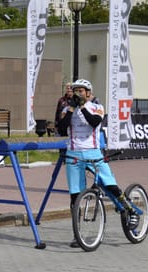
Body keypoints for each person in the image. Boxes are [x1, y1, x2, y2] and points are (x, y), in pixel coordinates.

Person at [57, 78, 139, 248]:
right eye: (75, 91)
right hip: (73, 155)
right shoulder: (67, 109)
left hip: (93, 153)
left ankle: (130, 211)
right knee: (75, 196)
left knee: (110, 185)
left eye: (81, 91)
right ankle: (77, 233)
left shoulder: (97, 107)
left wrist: (82, 106)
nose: (77, 94)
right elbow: (61, 128)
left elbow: (94, 122)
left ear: (88, 93)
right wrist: (72, 108)